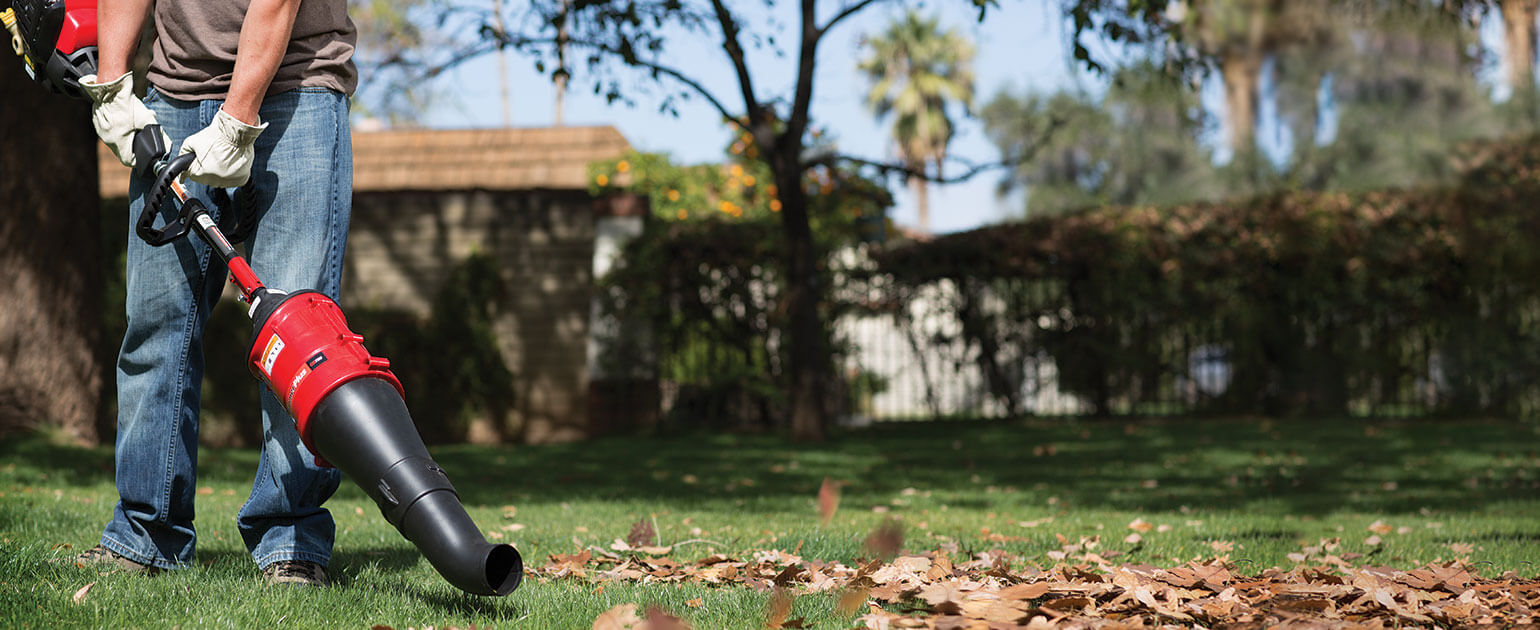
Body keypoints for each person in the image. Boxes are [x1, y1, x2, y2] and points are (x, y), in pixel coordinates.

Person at [75, 0, 357, 587]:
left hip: (295, 88)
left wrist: (237, 118)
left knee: (300, 340)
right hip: (173, 94)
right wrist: (111, 82)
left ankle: (291, 538)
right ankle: (145, 535)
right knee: (156, 326)